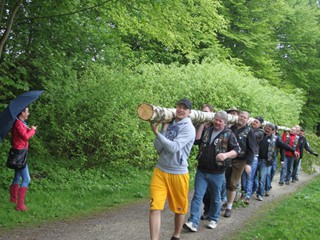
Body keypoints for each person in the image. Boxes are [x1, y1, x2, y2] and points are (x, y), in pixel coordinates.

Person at [183, 110, 239, 232]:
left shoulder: (229, 134)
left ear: (225, 122)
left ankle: (214, 218)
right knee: (197, 196)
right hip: (202, 170)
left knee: (215, 197)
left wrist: (225, 155)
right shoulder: (207, 130)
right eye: (216, 119)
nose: (217, 122)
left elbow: (236, 150)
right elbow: (196, 141)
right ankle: (193, 222)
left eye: (220, 121)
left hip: (217, 172)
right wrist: (202, 124)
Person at [149, 98, 195, 240]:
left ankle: (176, 235)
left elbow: (174, 147)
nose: (181, 110)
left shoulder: (189, 128)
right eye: (179, 107)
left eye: (184, 108)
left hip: (178, 173)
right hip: (160, 171)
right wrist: (162, 129)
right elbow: (158, 147)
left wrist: (157, 134)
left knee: (179, 209)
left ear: (189, 112)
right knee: (155, 207)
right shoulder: (171, 123)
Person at [224, 111, 256, 218]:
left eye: (244, 117)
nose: (242, 118)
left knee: (232, 183)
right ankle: (224, 200)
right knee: (224, 181)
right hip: (228, 158)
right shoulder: (231, 128)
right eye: (241, 116)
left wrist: (249, 164)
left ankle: (229, 207)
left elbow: (252, 149)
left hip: (240, 160)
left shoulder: (249, 131)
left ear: (247, 120)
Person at [256, 123, 299, 201]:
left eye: (269, 129)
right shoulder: (260, 136)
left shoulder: (275, 139)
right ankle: (253, 191)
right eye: (266, 128)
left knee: (262, 178)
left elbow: (284, 146)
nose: (267, 129)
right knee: (254, 177)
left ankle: (260, 194)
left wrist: (293, 151)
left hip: (265, 162)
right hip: (256, 159)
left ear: (273, 131)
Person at [9, 107, 37, 211]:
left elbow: (23, 136)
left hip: (20, 153)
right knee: (26, 179)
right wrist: (32, 130)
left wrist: (30, 130)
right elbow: (25, 137)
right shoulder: (18, 123)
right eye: (27, 111)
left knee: (17, 177)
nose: (28, 113)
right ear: (22, 112)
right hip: (19, 154)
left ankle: (13, 199)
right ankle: (20, 205)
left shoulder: (20, 122)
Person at [241, 116, 264, 204]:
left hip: (254, 156)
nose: (254, 123)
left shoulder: (260, 132)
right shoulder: (248, 129)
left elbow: (252, 135)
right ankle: (243, 193)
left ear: (260, 124)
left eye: (256, 122)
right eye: (254, 121)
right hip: (245, 156)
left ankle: (247, 196)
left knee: (249, 177)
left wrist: (247, 125)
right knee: (243, 177)